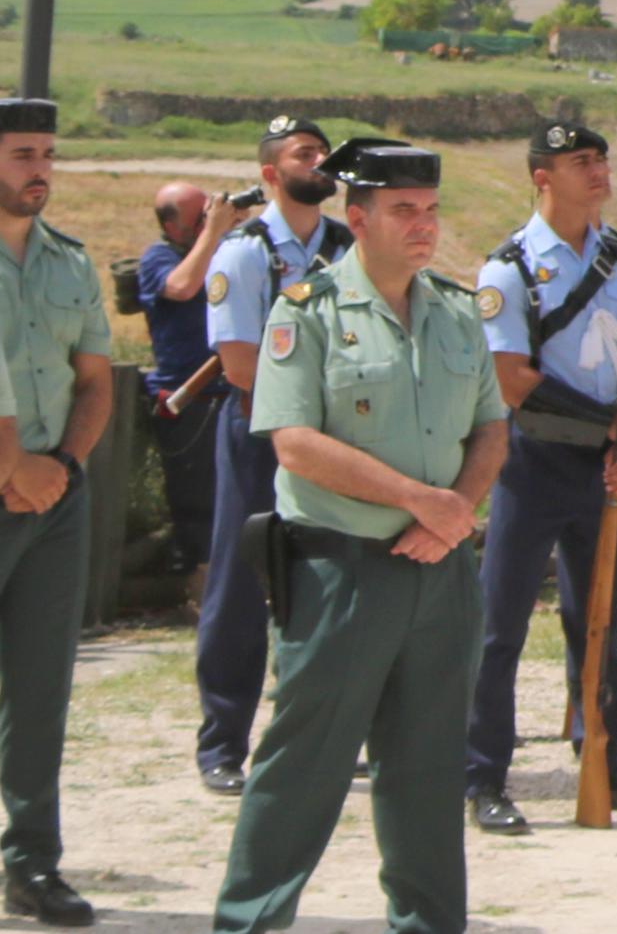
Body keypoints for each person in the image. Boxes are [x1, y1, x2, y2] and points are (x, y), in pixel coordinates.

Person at [204, 140, 498, 934]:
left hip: (439, 573)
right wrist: (420, 500)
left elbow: (491, 431)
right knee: (304, 764)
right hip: (340, 569)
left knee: (430, 767)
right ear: (357, 218)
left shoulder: (457, 309)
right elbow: (294, 442)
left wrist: (455, 513)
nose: (423, 226)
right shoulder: (306, 309)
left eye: (431, 210)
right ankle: (249, 921)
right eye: (404, 210)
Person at [465, 121, 617, 835]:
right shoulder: (509, 268)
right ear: (541, 176)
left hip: (605, 467)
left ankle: (604, 757)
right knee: (500, 626)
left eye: (601, 157)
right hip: (531, 461)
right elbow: (513, 380)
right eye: (579, 160)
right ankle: (483, 772)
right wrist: (616, 425)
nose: (598, 169)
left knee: (599, 620)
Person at [0, 99, 105, 925]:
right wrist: (8, 467)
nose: (40, 168)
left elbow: (94, 381)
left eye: (48, 151)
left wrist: (56, 467)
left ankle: (34, 865)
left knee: (42, 686)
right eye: (23, 153)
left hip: (54, 496)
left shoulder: (70, 263)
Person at [189, 114, 347, 794]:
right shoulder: (246, 251)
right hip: (261, 434)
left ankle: (321, 733)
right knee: (240, 583)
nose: (318, 159)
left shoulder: (350, 245)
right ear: (269, 173)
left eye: (321, 150)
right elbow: (240, 361)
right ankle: (222, 742)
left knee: (331, 584)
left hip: (339, 439)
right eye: (301, 152)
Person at [136, 181, 219, 580]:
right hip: (186, 399)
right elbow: (182, 287)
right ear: (173, 227)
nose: (208, 220)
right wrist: (214, 235)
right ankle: (194, 585)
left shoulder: (220, 253)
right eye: (198, 217)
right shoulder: (158, 257)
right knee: (194, 501)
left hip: (231, 394)